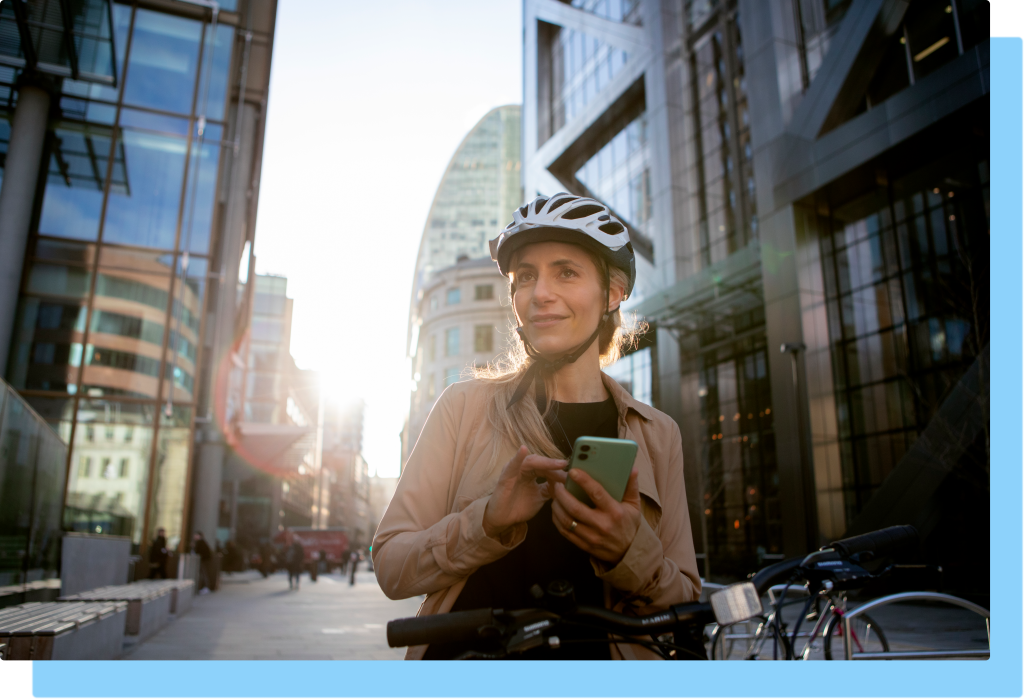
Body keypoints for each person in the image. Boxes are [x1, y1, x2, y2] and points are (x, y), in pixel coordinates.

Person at [373, 194, 701, 660]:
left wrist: (628, 550)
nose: (539, 292)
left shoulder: (658, 432)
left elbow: (685, 600)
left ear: (612, 293)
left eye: (566, 271)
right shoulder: (463, 407)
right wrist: (486, 521)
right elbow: (390, 565)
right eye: (525, 276)